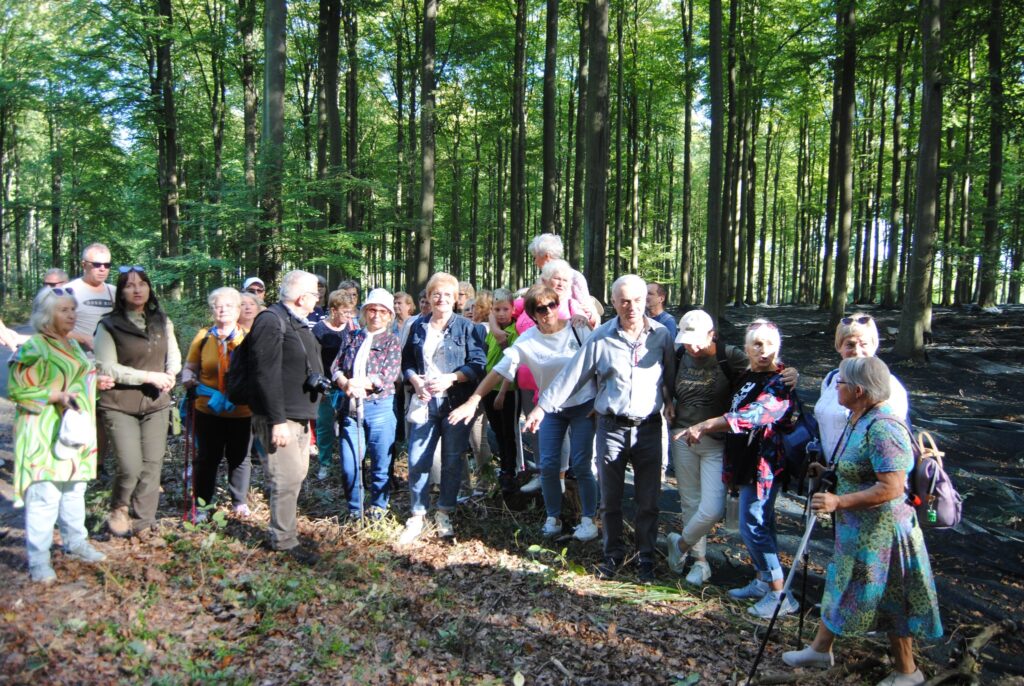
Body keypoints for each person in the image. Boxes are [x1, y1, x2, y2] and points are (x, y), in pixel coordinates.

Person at [783, 356, 941, 686]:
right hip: (857, 531)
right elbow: (859, 467)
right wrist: (828, 474)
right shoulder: (859, 418)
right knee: (841, 585)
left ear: (858, 389)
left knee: (891, 598)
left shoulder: (884, 427)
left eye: (839, 383)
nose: (834, 387)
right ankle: (820, 650)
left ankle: (908, 671)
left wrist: (839, 500)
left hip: (883, 536)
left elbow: (892, 487)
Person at [527, 275, 675, 582]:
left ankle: (645, 558)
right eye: (623, 300)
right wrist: (543, 406)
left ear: (645, 300)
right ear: (613, 302)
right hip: (611, 429)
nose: (631, 306)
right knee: (610, 499)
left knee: (648, 500)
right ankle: (612, 556)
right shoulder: (602, 337)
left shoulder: (661, 335)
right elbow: (573, 375)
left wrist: (674, 404)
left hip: (649, 428)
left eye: (637, 299)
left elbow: (673, 378)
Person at [453, 284, 600, 541]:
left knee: (582, 463)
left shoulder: (577, 328)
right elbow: (498, 370)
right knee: (549, 465)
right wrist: (473, 399)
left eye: (551, 305)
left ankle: (588, 519)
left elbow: (599, 364)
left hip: (584, 406)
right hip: (550, 409)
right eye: (540, 309)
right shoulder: (528, 340)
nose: (548, 312)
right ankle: (553, 517)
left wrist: (600, 402)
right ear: (532, 314)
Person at [665, 310, 798, 586]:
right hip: (688, 439)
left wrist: (790, 372)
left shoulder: (731, 357)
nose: (692, 347)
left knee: (717, 510)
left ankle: (680, 545)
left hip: (732, 449)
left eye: (697, 341)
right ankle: (700, 562)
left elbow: (765, 375)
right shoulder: (681, 356)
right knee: (692, 502)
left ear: (712, 335)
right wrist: (668, 401)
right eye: (686, 341)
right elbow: (666, 382)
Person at [8, 290, 112, 582]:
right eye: (64, 310)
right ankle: (38, 560)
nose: (71, 315)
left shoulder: (72, 345)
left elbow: (79, 375)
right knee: (45, 495)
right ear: (46, 316)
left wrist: (96, 380)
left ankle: (75, 543)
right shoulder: (34, 347)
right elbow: (16, 390)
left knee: (74, 490)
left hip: (73, 431)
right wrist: (53, 394)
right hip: (43, 432)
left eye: (72, 309)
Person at [398, 272, 487, 544]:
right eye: (436, 294)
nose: (441, 299)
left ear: (456, 299)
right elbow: (407, 362)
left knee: (451, 461)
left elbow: (477, 365)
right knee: (417, 458)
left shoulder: (468, 328)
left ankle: (445, 511)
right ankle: (417, 513)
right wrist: (414, 379)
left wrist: (451, 377)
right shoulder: (417, 326)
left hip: (455, 403)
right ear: (428, 297)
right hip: (424, 402)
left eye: (447, 295)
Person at [96, 266, 181, 537]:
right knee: (130, 465)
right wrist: (148, 376)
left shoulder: (161, 320)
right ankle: (119, 505)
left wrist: (170, 374)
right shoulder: (108, 324)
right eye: (129, 285)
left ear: (149, 288)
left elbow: (173, 354)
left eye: (141, 284)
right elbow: (107, 367)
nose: (136, 289)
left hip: (155, 404)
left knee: (152, 464)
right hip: (119, 403)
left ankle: (144, 521)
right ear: (120, 292)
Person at [247, 270, 324, 563]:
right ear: (302, 297)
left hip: (299, 414)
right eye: (315, 293)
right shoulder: (271, 320)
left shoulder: (296, 322)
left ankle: (286, 531)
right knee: (285, 477)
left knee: (296, 475)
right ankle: (282, 540)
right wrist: (277, 419)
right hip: (280, 417)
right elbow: (264, 374)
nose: (318, 298)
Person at [181, 287, 252, 520]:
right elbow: (190, 367)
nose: (222, 310)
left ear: (238, 310)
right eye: (218, 306)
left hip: (241, 409)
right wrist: (187, 378)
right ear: (212, 310)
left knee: (239, 458)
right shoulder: (203, 337)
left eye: (228, 306)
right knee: (207, 458)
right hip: (207, 406)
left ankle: (239, 502)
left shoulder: (247, 337)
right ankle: (203, 505)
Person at [330, 288, 402, 517]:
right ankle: (355, 509)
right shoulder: (352, 337)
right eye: (372, 310)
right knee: (350, 466)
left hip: (379, 408)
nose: (376, 315)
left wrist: (360, 384)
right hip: (350, 408)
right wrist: (344, 383)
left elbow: (387, 375)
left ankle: (378, 507)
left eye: (382, 311)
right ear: (365, 312)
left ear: (389, 315)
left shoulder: (392, 341)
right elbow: (336, 367)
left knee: (381, 464)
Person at [816, 313, 909, 459]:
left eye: (864, 344)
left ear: (874, 346)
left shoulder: (889, 385)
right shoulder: (831, 379)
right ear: (839, 347)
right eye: (850, 344)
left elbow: (892, 440)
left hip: (868, 475)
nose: (857, 351)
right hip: (833, 471)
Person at [312, 290, 359, 481]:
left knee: (347, 423)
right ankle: (325, 462)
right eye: (345, 312)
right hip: (326, 385)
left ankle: (346, 461)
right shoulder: (319, 330)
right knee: (324, 425)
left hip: (346, 384)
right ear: (333, 310)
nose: (348, 316)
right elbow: (313, 360)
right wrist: (320, 387)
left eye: (351, 312)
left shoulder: (351, 329)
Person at [65, 243, 115, 353]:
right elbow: (52, 329)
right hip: (78, 359)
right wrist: (84, 339)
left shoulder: (115, 292)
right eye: (97, 264)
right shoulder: (68, 292)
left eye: (107, 265)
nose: (102, 269)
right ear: (84, 265)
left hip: (110, 359)